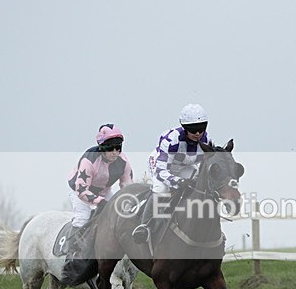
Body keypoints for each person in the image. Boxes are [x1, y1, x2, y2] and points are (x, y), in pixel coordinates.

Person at [131, 103, 211, 244]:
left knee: (198, 185)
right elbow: (161, 171)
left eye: (201, 128)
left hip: (184, 166)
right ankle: (144, 226)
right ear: (184, 127)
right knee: (161, 189)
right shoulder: (171, 140)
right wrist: (177, 182)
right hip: (161, 165)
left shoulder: (206, 141)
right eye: (193, 129)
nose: (198, 133)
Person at [65, 123, 134, 252]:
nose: (115, 152)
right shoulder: (89, 160)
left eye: (118, 148)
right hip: (79, 190)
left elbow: (127, 186)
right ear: (102, 147)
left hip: (104, 191)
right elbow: (81, 190)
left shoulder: (123, 161)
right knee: (83, 218)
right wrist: (99, 201)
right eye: (111, 148)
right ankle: (72, 252)